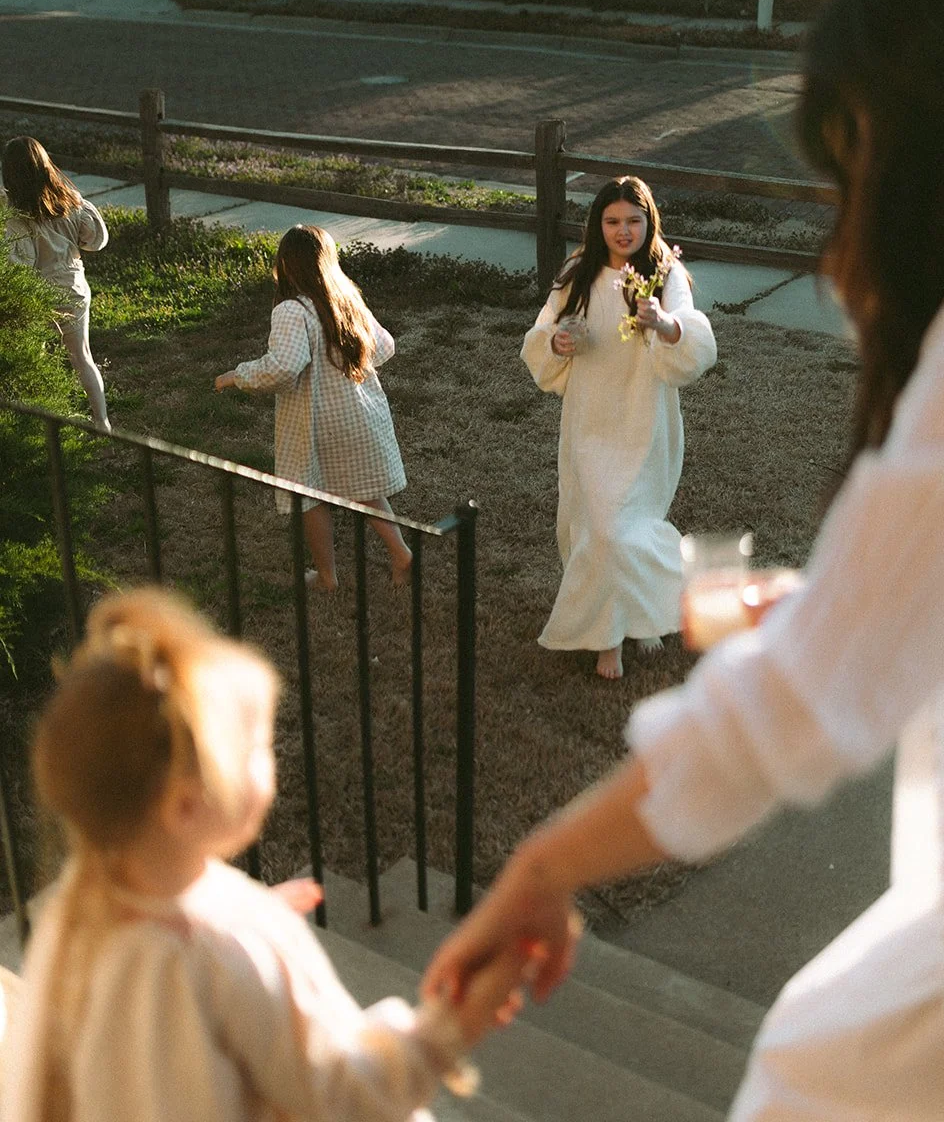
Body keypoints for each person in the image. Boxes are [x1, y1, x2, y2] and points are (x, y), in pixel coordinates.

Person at [425, 0, 944, 1119]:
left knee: (805, 1069)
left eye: (853, 147)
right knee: (809, 1061)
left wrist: (545, 863)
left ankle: (629, 614)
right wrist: (836, 605)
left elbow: (808, 701)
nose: (849, 201)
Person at [2, 588, 527, 1122]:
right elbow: (344, 1098)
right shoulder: (227, 952)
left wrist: (243, 916)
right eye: (256, 748)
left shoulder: (80, 903)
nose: (272, 759)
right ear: (185, 805)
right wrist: (446, 1031)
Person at [521, 177, 717, 680]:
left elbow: (691, 335)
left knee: (622, 524)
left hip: (643, 413)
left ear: (649, 221)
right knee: (596, 524)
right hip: (591, 415)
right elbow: (543, 332)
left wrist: (662, 323)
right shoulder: (577, 273)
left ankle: (629, 622)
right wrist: (558, 342)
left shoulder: (663, 273)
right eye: (612, 221)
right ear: (598, 224)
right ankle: (625, 624)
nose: (623, 230)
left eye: (633, 220)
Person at [215, 225, 412, 591]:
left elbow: (284, 367)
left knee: (309, 493)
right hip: (357, 414)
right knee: (363, 487)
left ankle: (326, 576)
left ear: (286, 265)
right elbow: (384, 347)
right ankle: (400, 553)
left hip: (315, 421)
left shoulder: (292, 310)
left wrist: (237, 376)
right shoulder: (345, 299)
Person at [1, 136, 111, 430]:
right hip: (72, 291)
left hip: (35, 295)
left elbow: (19, 261)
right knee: (82, 356)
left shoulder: (13, 211)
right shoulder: (69, 201)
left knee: (32, 355)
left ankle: (36, 419)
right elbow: (96, 240)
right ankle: (102, 422)